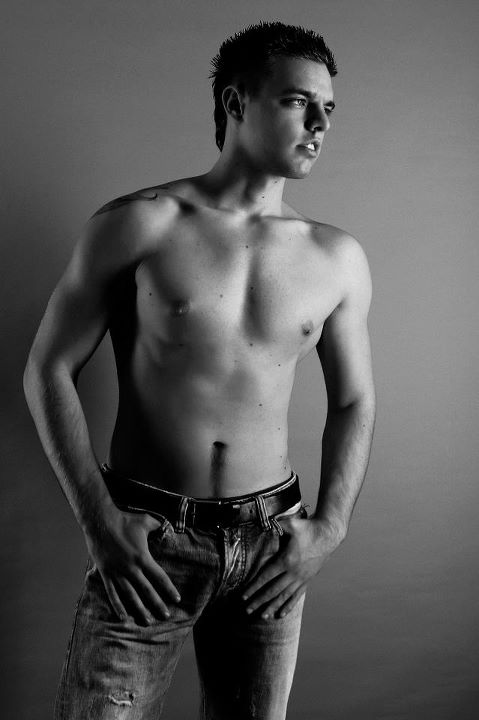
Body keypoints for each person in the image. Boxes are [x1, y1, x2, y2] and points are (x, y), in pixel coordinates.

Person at [23, 20, 376, 720]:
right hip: (149, 542)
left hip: (271, 545)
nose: (319, 124)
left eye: (328, 108)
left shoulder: (335, 258)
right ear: (236, 102)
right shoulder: (139, 225)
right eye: (297, 101)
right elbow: (47, 370)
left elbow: (353, 401)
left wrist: (329, 528)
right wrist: (98, 521)